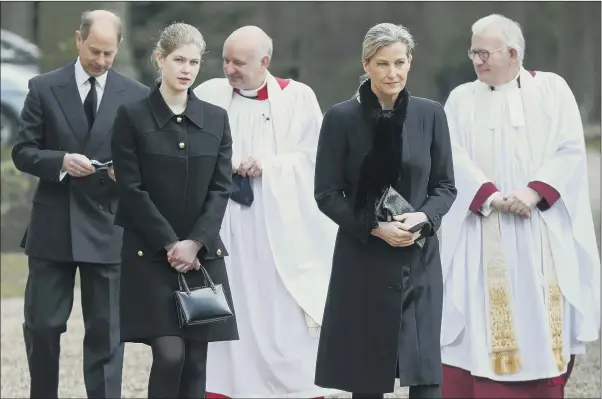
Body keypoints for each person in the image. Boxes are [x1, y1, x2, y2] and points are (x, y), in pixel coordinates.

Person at [439, 14, 600, 399]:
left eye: (484, 52)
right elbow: (450, 157)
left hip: (538, 232)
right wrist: (491, 195)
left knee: (540, 321)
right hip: (482, 231)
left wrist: (533, 193)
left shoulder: (551, 90)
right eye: (472, 51)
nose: (476, 60)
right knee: (479, 327)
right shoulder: (461, 99)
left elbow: (570, 149)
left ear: (513, 53)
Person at [313, 22, 457, 399]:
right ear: (366, 64)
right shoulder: (340, 118)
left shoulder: (431, 115)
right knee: (366, 375)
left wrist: (424, 218)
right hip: (362, 258)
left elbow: (445, 186)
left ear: (410, 62)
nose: (392, 73)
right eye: (382, 64)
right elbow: (327, 193)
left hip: (419, 258)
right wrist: (375, 227)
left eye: (399, 62)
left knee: (425, 372)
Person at [194, 25, 339, 399]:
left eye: (238, 63)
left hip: (281, 228)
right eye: (225, 60)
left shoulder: (298, 98)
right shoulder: (209, 94)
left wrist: (270, 166)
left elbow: (316, 159)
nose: (229, 70)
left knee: (283, 316)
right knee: (232, 308)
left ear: (265, 61)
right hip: (226, 225)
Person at [11, 10, 148, 399]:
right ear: (78, 39)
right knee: (42, 326)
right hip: (53, 224)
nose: (102, 62)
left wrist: (128, 174)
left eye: (109, 53)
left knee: (107, 331)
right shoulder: (43, 87)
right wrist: (60, 162)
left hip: (108, 226)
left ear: (118, 47)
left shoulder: (136, 95)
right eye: (94, 52)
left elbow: (144, 159)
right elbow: (23, 152)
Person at [110, 22, 238, 398]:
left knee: (197, 361)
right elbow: (132, 190)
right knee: (169, 354)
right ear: (160, 59)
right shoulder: (131, 116)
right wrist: (170, 243)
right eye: (179, 59)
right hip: (150, 254)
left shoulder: (216, 118)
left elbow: (221, 188)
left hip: (202, 256)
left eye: (194, 62)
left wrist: (196, 242)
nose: (187, 69)